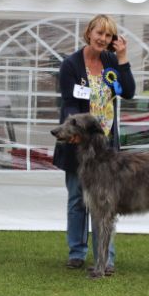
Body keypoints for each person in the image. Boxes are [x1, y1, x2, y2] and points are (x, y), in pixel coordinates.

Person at [52, 14, 136, 274]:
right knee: (77, 199)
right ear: (89, 33)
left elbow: (129, 92)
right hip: (78, 144)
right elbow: (70, 104)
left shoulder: (111, 61)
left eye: (108, 35)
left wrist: (123, 59)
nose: (103, 39)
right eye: (99, 33)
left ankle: (105, 258)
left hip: (106, 148)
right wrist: (75, 133)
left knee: (105, 202)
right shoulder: (71, 65)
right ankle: (77, 252)